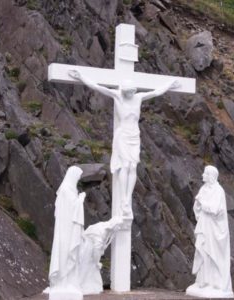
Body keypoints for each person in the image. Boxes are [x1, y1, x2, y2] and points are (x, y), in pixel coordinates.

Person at [69, 70, 180, 218]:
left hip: (134, 136)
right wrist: (82, 76)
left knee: (133, 166)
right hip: (123, 136)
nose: (129, 94)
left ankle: (127, 197)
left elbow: (156, 92)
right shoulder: (118, 97)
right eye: (127, 91)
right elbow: (97, 87)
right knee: (125, 166)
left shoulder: (139, 97)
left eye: (131, 91)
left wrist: (170, 84)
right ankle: (124, 199)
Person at [186, 165, 234, 298]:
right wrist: (199, 203)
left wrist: (202, 202)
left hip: (214, 229)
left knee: (212, 253)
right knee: (203, 251)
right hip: (204, 225)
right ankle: (203, 281)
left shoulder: (219, 191)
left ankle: (215, 283)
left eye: (205, 174)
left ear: (211, 176)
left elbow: (215, 209)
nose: (202, 175)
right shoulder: (203, 188)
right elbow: (197, 206)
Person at [47, 166, 86, 300]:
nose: (78, 180)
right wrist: (81, 199)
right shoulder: (65, 190)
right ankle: (62, 282)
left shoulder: (70, 190)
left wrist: (79, 198)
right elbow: (71, 208)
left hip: (70, 229)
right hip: (65, 230)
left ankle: (69, 282)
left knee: (70, 255)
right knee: (64, 254)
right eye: (77, 177)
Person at [78, 216, 124, 295]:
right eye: (118, 226)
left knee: (90, 271)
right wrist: (97, 262)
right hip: (89, 251)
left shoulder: (106, 229)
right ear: (114, 225)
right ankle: (82, 286)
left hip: (90, 248)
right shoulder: (102, 231)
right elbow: (96, 249)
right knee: (86, 269)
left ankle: (92, 286)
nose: (119, 228)